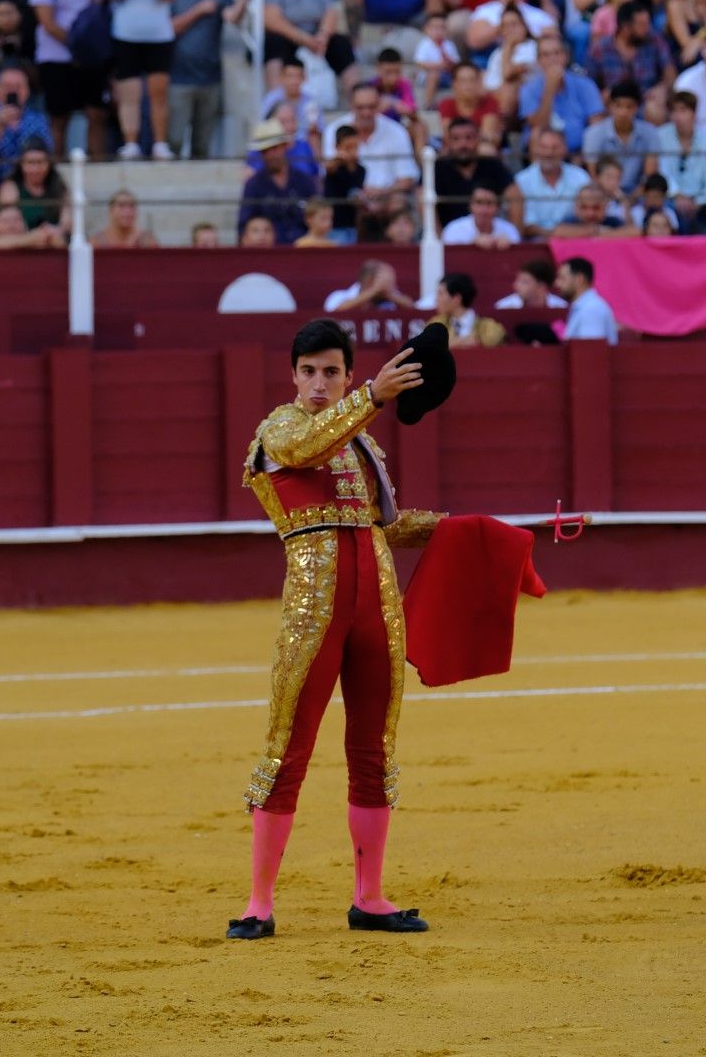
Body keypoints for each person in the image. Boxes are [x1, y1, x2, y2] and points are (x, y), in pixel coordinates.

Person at [228, 318, 438, 942]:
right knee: (288, 747)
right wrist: (370, 398)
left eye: (332, 372)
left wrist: (482, 529)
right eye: (309, 372)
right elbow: (305, 449)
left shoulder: (363, 444)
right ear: (293, 376)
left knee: (373, 749)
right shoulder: (281, 429)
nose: (319, 384)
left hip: (377, 604)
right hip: (313, 611)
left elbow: (384, 526)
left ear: (345, 373)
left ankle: (369, 897)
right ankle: (259, 902)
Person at [322, 83, 418, 236]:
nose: (366, 113)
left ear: (379, 104)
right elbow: (328, 171)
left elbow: (408, 178)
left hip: (387, 198)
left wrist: (383, 192)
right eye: (360, 107)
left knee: (399, 202)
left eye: (371, 107)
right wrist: (360, 194)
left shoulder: (396, 132)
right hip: (347, 200)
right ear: (351, 105)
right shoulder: (334, 130)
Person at [30, 0, 111, 159]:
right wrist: (78, 45)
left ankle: (99, 172)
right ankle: (56, 175)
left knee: (97, 115)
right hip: (55, 58)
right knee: (58, 119)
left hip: (90, 59)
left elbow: (97, 9)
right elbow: (47, 22)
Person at [169, 0, 244, 159]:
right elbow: (168, 28)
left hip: (210, 78)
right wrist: (199, 11)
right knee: (174, 140)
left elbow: (233, 17)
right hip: (179, 78)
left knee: (202, 144)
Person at [107, 0, 176, 160]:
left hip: (159, 36)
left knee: (159, 93)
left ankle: (160, 144)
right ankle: (130, 143)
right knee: (129, 94)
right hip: (126, 36)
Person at [262, 0, 358, 98]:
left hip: (315, 37)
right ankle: (276, 101)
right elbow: (271, 19)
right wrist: (302, 38)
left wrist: (323, 36)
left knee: (341, 44)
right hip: (286, 35)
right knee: (274, 43)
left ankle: (358, 95)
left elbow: (331, 12)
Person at [239, 116, 319, 245]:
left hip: (303, 250)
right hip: (267, 253)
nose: (271, 155)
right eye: (265, 151)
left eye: (275, 148)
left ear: (285, 147)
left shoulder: (304, 181)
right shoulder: (254, 185)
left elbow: (318, 217)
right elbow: (244, 226)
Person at [518, 34, 602, 155]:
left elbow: (596, 124)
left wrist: (583, 154)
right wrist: (549, 90)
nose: (553, 59)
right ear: (539, 61)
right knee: (536, 133)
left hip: (580, 152)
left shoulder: (585, 84)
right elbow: (539, 126)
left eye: (557, 53)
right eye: (546, 55)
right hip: (545, 151)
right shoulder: (528, 89)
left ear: (565, 56)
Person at [657, 89, 706, 232]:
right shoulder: (661, 136)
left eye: (683, 110)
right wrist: (677, 195)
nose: (677, 116)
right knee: (666, 211)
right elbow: (662, 172)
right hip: (671, 199)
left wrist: (699, 203)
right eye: (674, 111)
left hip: (703, 201)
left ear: (694, 114)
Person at [587, 2, 674, 112]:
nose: (648, 29)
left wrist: (663, 88)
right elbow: (588, 86)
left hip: (646, 102)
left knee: (656, 110)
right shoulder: (600, 50)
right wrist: (602, 96)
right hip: (613, 106)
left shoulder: (655, 40)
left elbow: (670, 74)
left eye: (648, 24)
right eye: (642, 25)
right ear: (626, 27)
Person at [0, 64, 52, 182]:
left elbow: (46, 155)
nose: (13, 91)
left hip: (27, 183)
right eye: (8, 86)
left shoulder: (38, 120)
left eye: (19, 86)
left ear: (27, 91)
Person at [433, 116, 517, 225]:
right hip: (449, 237)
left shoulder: (491, 164)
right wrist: (439, 239)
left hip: (491, 236)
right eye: (456, 139)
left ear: (478, 139)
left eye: (469, 138)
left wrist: (514, 236)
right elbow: (422, 196)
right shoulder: (438, 167)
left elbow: (515, 194)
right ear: (448, 142)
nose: (463, 144)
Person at [510, 126, 590, 238]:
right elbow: (524, 225)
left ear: (565, 149)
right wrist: (554, 235)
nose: (549, 153)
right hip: (535, 243)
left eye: (555, 147)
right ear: (535, 149)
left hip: (575, 240)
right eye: (544, 147)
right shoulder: (521, 181)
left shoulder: (581, 177)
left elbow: (590, 215)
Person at [581, 79, 656, 195]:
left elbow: (649, 176)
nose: (623, 112)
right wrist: (617, 198)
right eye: (618, 105)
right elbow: (595, 176)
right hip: (604, 195)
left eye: (629, 106)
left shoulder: (650, 132)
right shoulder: (593, 133)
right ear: (610, 106)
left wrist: (630, 201)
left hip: (638, 197)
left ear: (637, 107)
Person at [466, 0, 554, 53]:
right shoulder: (485, 11)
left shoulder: (538, 14)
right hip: (493, 52)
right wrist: (503, 27)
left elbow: (554, 39)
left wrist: (525, 32)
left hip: (530, 54)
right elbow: (473, 42)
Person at [0, 139, 68, 232]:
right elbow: (8, 224)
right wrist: (35, 235)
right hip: (20, 239)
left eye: (40, 162)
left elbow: (67, 224)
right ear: (21, 164)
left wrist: (52, 231)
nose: (35, 169)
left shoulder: (59, 187)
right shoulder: (10, 188)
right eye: (30, 163)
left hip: (51, 239)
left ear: (49, 164)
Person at [438, 62, 503, 154]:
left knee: (486, 150)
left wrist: (463, 138)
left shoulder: (490, 103)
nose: (468, 85)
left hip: (480, 151)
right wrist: (471, 136)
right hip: (455, 150)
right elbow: (449, 136)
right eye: (463, 81)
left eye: (472, 80)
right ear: (454, 84)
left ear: (479, 82)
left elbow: (488, 135)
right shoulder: (446, 104)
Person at [429, 271, 506, 346]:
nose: (437, 299)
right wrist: (459, 342)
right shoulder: (436, 324)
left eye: (440, 294)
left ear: (456, 299)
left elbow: (493, 341)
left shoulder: (488, 327)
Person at [554, 256, 618, 342]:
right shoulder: (587, 307)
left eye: (562, 278)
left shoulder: (591, 309)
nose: (556, 284)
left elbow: (589, 351)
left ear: (579, 280)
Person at [321, 123, 364, 244]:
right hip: (334, 226)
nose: (352, 152)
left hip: (351, 224)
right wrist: (338, 158)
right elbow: (328, 166)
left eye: (355, 147)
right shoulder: (334, 167)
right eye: (347, 147)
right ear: (337, 147)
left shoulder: (361, 170)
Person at [441, 183, 521, 245]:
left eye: (489, 203)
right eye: (479, 202)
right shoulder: (453, 230)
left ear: (497, 207)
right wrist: (471, 244)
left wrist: (510, 246)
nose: (484, 210)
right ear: (470, 205)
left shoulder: (509, 230)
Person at [325, 258, 417, 310]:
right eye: (386, 281)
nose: (391, 285)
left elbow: (414, 309)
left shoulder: (391, 296)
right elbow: (335, 312)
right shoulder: (338, 296)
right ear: (368, 280)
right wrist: (373, 290)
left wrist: (390, 296)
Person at [414, 11, 459, 110]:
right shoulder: (425, 44)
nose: (439, 31)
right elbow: (420, 63)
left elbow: (456, 62)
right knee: (433, 75)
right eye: (435, 28)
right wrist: (439, 65)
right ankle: (428, 103)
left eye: (442, 28)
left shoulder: (449, 44)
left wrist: (450, 64)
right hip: (427, 76)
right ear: (427, 29)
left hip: (446, 75)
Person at [92, 187, 159, 247]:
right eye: (121, 205)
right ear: (111, 211)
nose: (127, 211)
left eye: (132, 206)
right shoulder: (97, 242)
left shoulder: (147, 242)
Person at [494, 256, 567, 308]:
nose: (516, 285)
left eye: (524, 282)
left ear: (541, 287)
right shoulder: (504, 307)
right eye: (518, 280)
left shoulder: (562, 308)